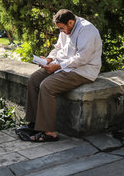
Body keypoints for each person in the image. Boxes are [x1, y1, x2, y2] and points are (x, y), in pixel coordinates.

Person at [17, 9, 102, 142]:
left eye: (62, 29)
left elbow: (82, 58)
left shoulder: (87, 30)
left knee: (47, 86)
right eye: (60, 29)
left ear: (71, 22)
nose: (62, 32)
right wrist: (49, 59)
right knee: (34, 80)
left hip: (82, 70)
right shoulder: (65, 28)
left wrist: (58, 66)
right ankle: (35, 124)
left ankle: (49, 132)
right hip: (62, 66)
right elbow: (58, 48)